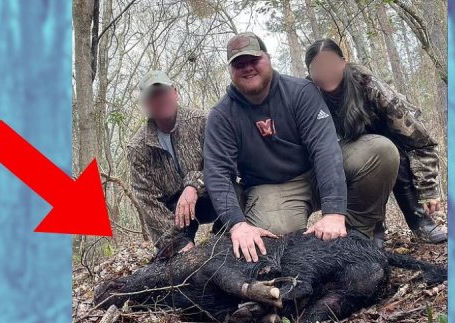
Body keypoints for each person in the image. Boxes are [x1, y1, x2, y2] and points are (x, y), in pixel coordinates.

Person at [204, 32, 399, 263]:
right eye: (239, 64)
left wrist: (334, 212)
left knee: (380, 151)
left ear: (268, 58)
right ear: (230, 70)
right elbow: (217, 173)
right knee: (275, 248)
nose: (247, 68)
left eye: (253, 60)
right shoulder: (221, 115)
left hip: (316, 173)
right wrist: (237, 224)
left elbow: (324, 149)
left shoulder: (300, 92)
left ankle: (358, 237)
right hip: (272, 188)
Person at [304, 38, 447, 243]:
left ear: (343, 62)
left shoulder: (370, 87)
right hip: (349, 154)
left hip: (390, 148)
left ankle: (419, 220)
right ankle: (373, 230)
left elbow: (420, 140)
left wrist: (428, 190)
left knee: (391, 152)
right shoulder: (308, 95)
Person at [127, 70, 221, 253]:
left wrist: (194, 185)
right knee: (176, 259)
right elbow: (148, 202)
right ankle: (183, 246)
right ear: (145, 104)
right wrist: (175, 241)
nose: (161, 99)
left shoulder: (203, 121)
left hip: (211, 195)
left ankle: (222, 239)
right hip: (175, 214)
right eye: (153, 96)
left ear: (175, 92)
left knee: (237, 191)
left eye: (164, 91)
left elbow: (219, 164)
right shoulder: (138, 148)